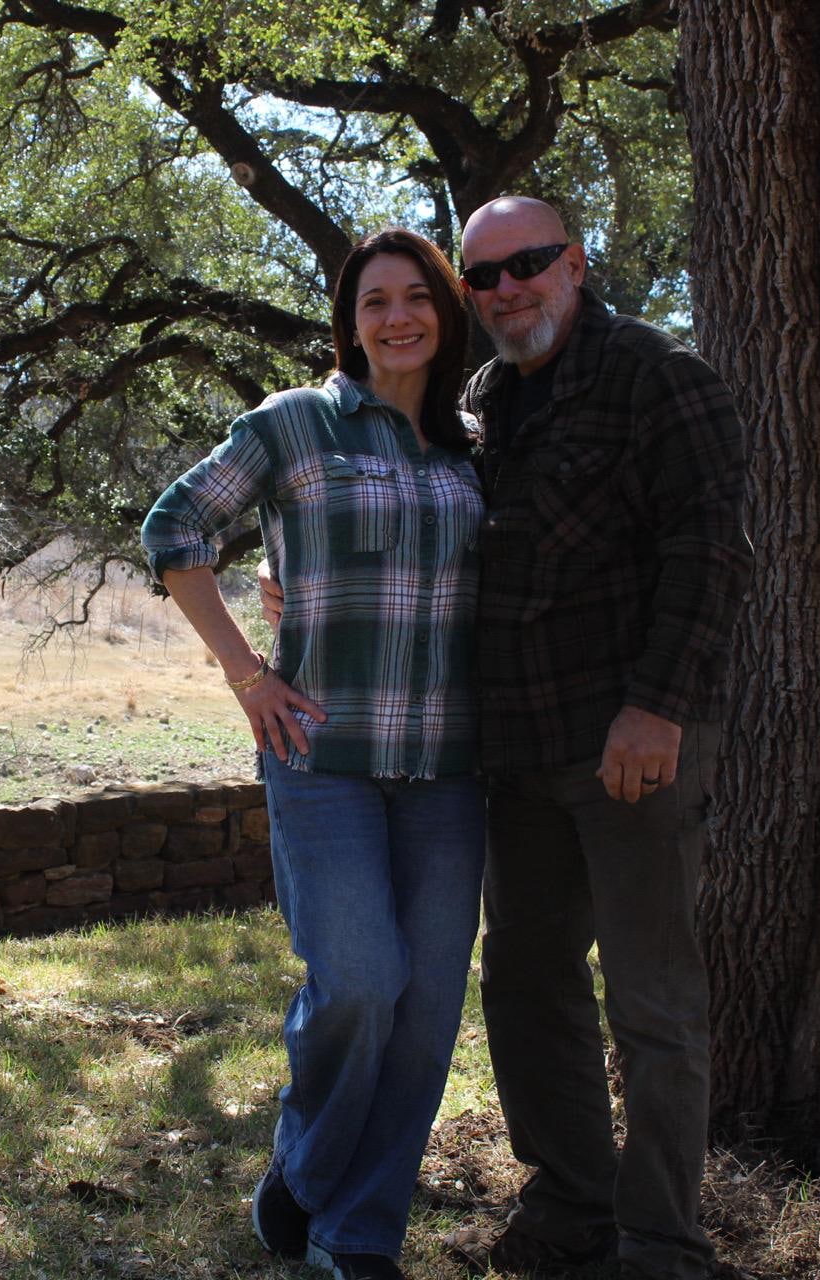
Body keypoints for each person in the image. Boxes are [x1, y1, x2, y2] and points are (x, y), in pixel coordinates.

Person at [263, 196, 751, 1279]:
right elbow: (412, 531)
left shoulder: (659, 377)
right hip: (515, 753)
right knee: (527, 984)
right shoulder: (484, 402)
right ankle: (571, 1206)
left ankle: (661, 1242)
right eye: (482, 276)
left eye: (525, 263)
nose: (505, 289)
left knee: (651, 999)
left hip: (632, 746)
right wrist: (286, 569)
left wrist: (657, 706)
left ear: (574, 263)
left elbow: (712, 551)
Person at [141, 228, 487, 1280]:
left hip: (449, 766)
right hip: (321, 755)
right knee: (361, 979)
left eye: (416, 296)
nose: (397, 317)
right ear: (350, 322)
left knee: (425, 1011)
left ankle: (358, 1230)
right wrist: (248, 671)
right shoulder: (295, 423)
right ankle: (303, 1169)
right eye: (374, 301)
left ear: (445, 311)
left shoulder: (478, 444)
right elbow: (175, 527)